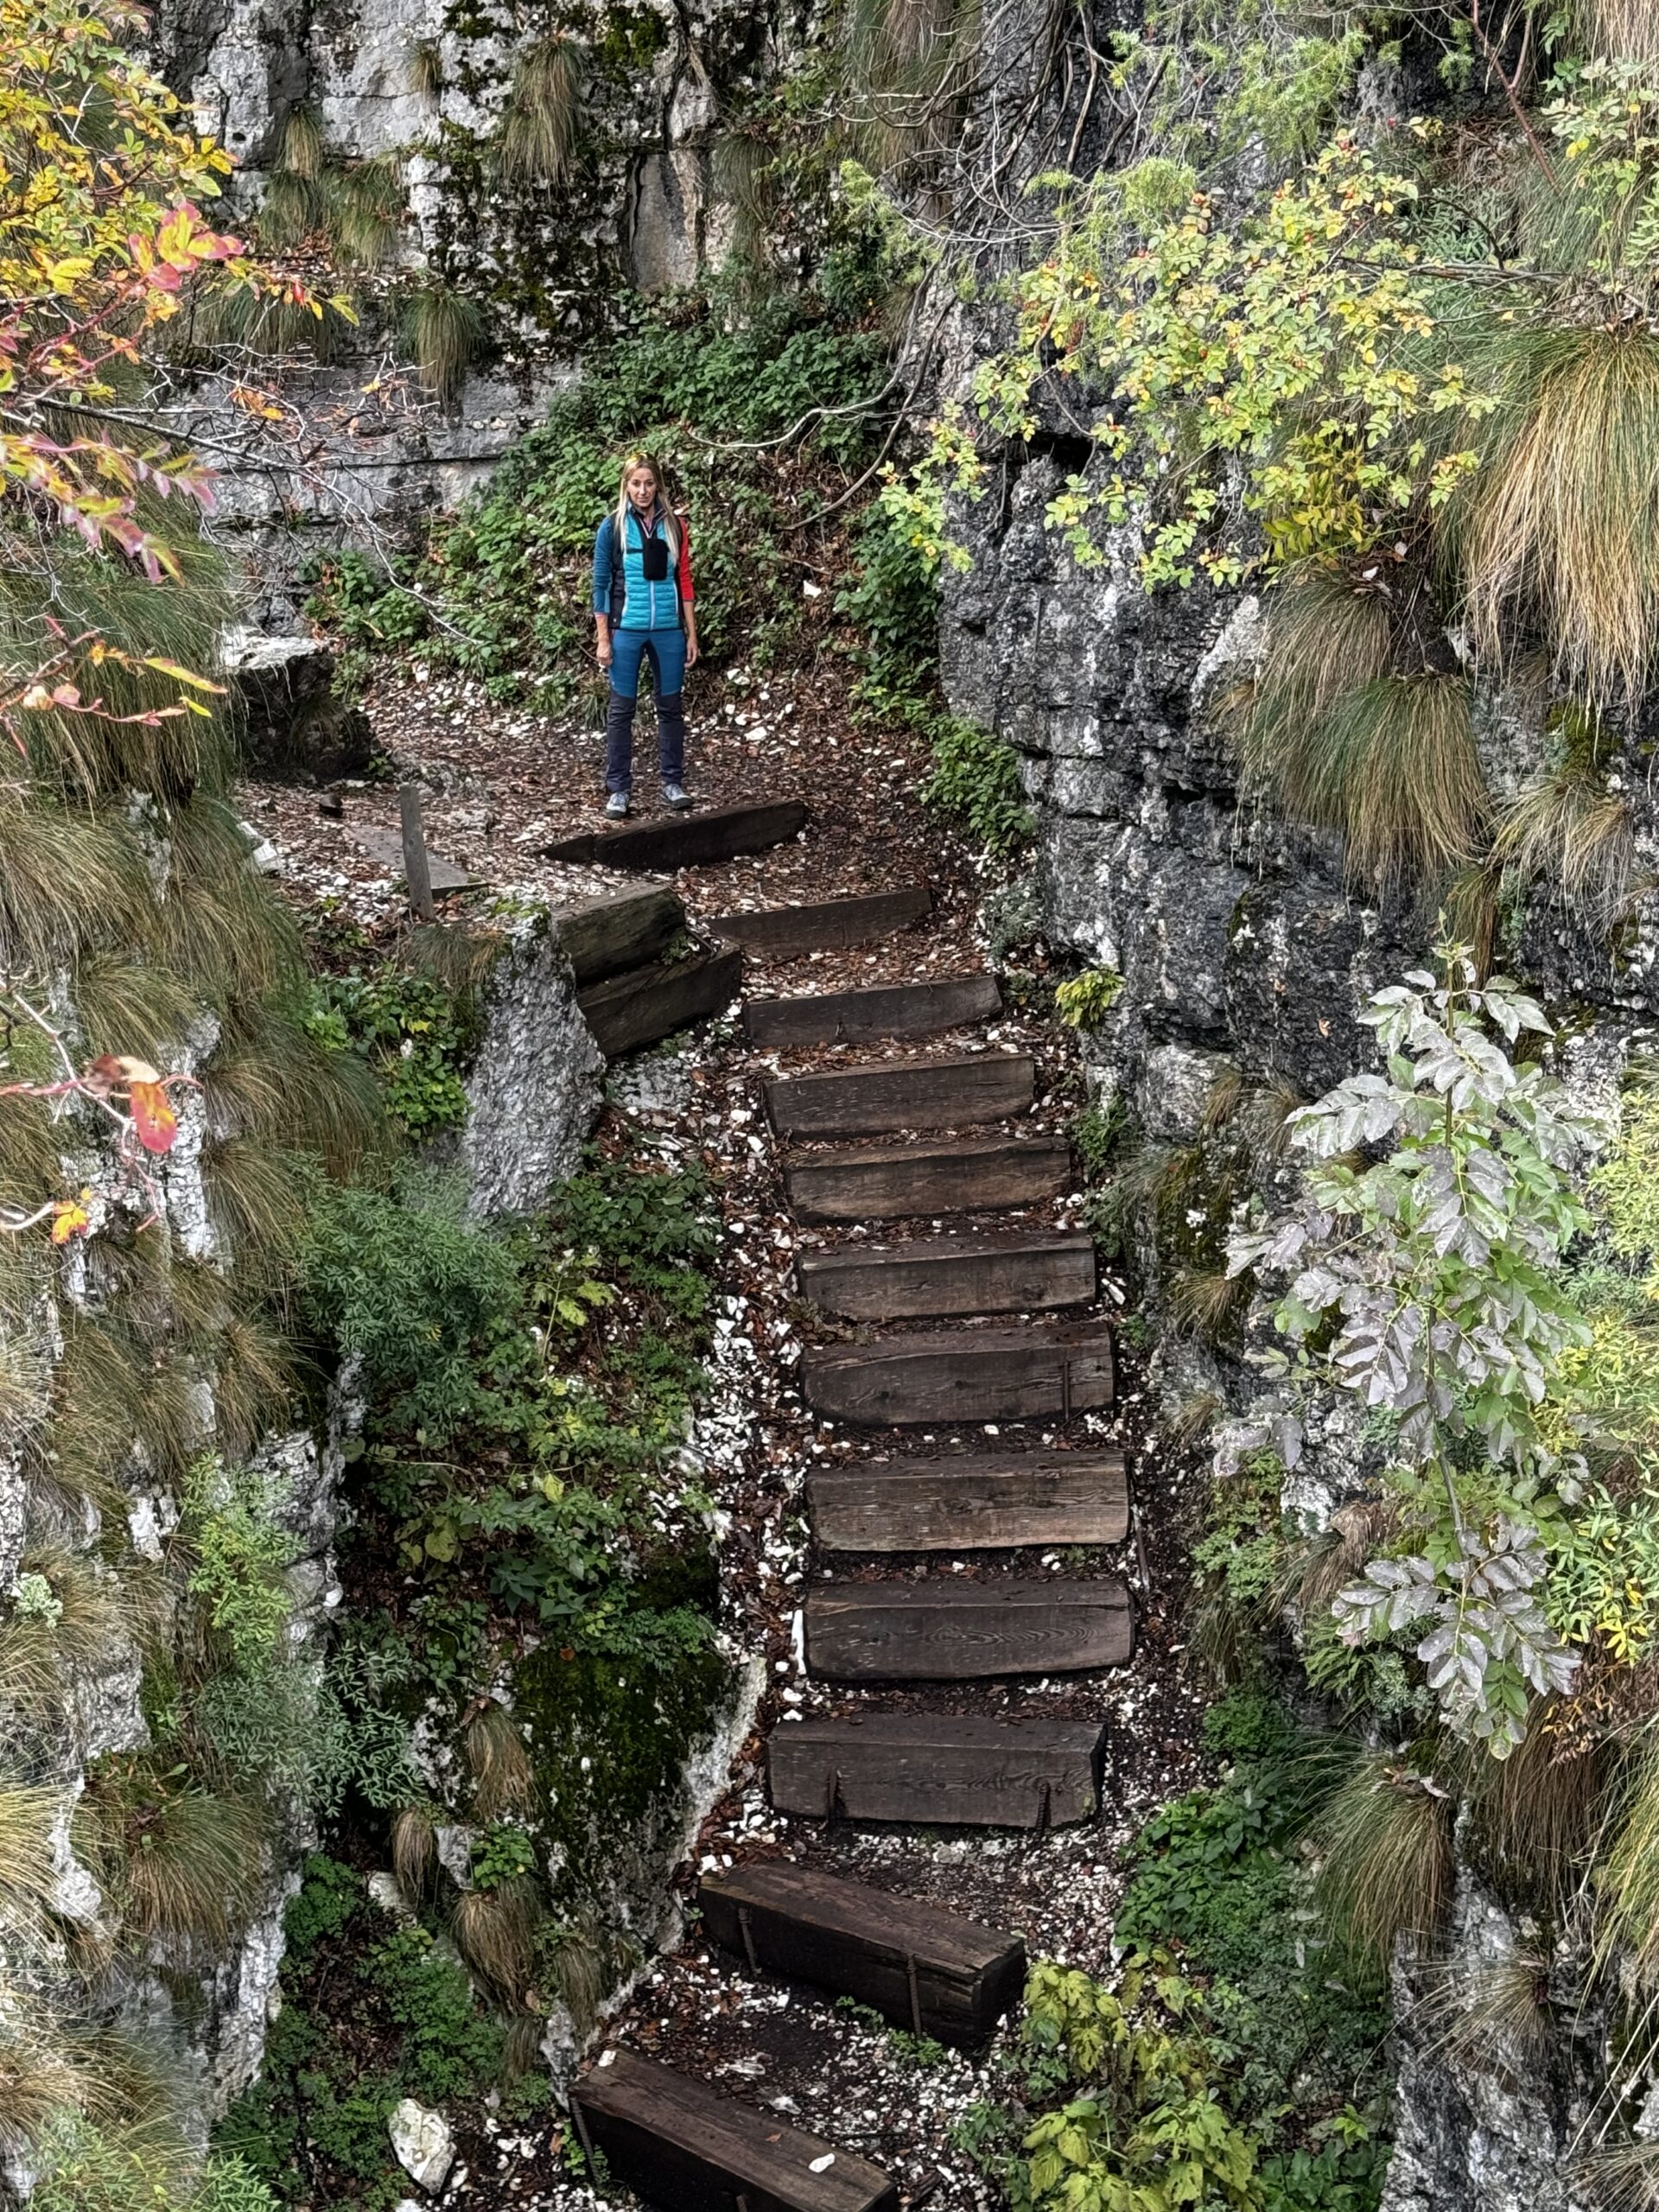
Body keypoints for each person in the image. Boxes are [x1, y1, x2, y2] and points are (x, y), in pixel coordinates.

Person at [591, 453, 698, 818]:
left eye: (649, 483)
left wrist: (691, 633)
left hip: (669, 630)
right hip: (626, 630)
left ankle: (672, 783)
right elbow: (600, 585)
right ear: (626, 485)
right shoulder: (613, 527)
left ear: (659, 486)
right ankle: (618, 789)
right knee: (622, 710)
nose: (643, 490)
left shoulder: (676, 526)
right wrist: (603, 638)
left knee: (670, 708)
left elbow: (683, 580)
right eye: (635, 483)